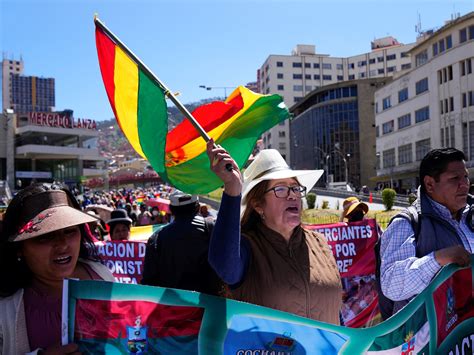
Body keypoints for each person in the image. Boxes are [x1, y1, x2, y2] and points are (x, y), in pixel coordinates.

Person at [206, 141, 342, 323]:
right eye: (280, 189)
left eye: (295, 188)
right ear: (258, 205)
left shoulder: (320, 243)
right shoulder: (248, 248)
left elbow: (334, 308)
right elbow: (224, 266)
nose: (292, 195)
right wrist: (232, 187)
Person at [0, 183, 114, 354]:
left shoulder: (101, 274)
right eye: (45, 236)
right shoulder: (5, 307)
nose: (62, 245)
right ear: (19, 248)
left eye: (69, 231)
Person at [380, 148, 473, 316]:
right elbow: (391, 284)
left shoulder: (470, 215)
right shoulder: (408, 223)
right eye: (455, 178)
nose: (465, 184)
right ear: (430, 184)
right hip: (432, 338)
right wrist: (438, 259)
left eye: (465, 176)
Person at [141, 190, 223, 296]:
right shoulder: (214, 229)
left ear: (171, 210)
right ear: (198, 207)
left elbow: (148, 281)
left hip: (172, 307)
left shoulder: (157, 238)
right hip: (209, 306)